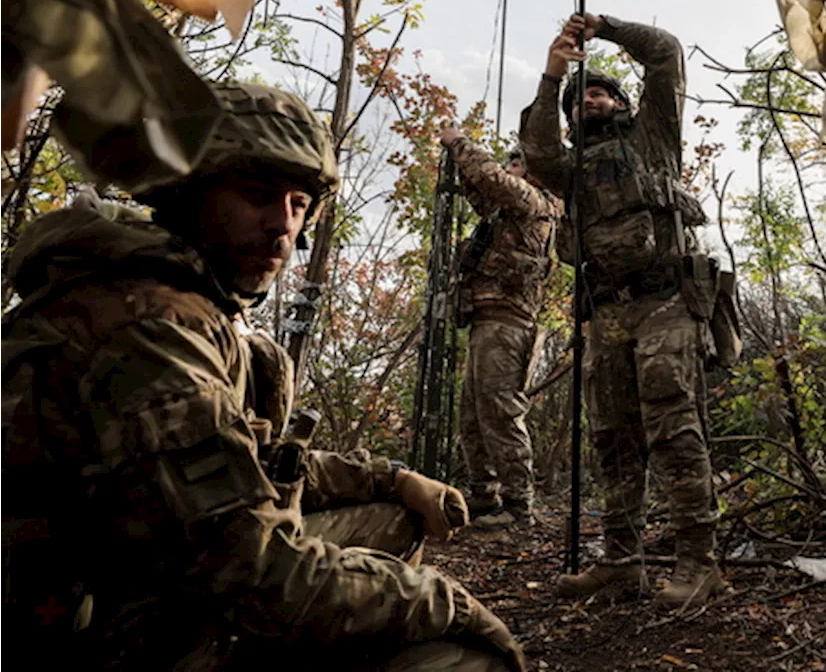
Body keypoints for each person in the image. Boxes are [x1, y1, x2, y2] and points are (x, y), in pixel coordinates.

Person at [0, 82, 526, 671]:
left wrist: (393, 477)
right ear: (189, 195)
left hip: (129, 582)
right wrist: (446, 603)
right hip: (93, 635)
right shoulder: (152, 328)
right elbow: (255, 574)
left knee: (391, 516)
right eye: (256, 196)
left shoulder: (162, 298)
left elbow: (246, 461)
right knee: (461, 658)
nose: (283, 225)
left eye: (299, 203)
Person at [518, 13, 723, 609]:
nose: (588, 101)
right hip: (606, 314)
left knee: (673, 429)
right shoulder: (569, 169)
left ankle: (699, 564)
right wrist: (555, 74)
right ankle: (622, 563)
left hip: (666, 301)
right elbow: (536, 150)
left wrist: (602, 27)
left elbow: (666, 51)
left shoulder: (653, 136)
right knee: (611, 438)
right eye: (580, 98)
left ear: (623, 102)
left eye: (599, 91)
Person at [439, 129, 561, 530]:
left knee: (501, 411)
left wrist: (459, 143)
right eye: (511, 163)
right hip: (487, 320)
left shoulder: (535, 202)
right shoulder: (505, 213)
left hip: (508, 322)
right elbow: (481, 188)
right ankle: (484, 496)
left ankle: (518, 505)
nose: (512, 169)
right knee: (473, 415)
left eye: (519, 164)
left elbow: (491, 178)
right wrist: (460, 164)